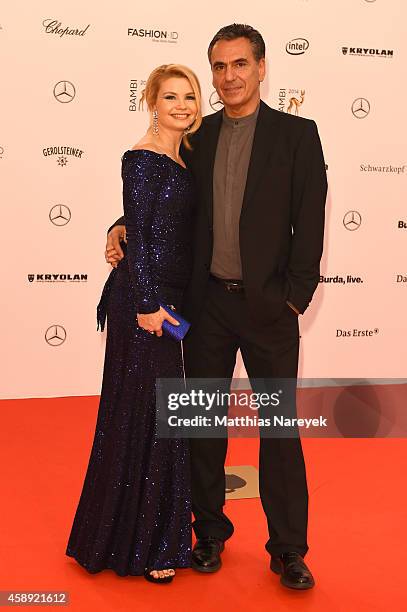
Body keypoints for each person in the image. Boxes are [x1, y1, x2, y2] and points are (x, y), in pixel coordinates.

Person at [106, 24, 327, 590]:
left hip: (270, 309)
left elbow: (311, 222)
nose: (229, 76)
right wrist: (120, 224)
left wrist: (295, 298)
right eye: (220, 67)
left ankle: (288, 550)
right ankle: (208, 533)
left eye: (239, 65)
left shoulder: (297, 135)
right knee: (202, 426)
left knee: (280, 432)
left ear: (260, 68)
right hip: (205, 307)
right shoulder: (196, 136)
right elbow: (159, 202)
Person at [66, 64, 202, 584]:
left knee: (156, 414)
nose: (183, 106)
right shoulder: (141, 158)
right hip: (145, 306)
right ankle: (144, 544)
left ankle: (142, 535)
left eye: (190, 97)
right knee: (147, 415)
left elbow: (138, 221)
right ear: (152, 102)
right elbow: (142, 235)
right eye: (171, 97)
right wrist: (147, 305)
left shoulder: (183, 152)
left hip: (167, 301)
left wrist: (114, 226)